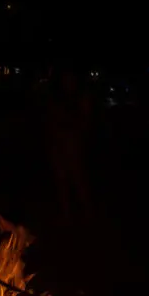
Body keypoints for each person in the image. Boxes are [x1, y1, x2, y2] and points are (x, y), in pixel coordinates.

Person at [45, 67, 93, 224]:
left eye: (70, 78)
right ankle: (67, 213)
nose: (68, 82)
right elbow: (50, 120)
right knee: (61, 179)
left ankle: (86, 212)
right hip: (59, 143)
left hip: (72, 143)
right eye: (65, 78)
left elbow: (84, 121)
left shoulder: (78, 98)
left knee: (77, 178)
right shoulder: (57, 98)